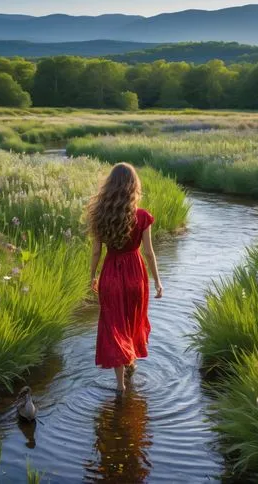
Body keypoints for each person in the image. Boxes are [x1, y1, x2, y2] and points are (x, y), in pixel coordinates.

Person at [87, 162, 163, 392]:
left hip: (111, 274)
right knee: (133, 320)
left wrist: (92, 276)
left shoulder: (100, 215)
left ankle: (120, 385)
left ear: (109, 186)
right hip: (136, 276)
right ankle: (131, 366)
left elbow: (97, 251)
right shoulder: (142, 216)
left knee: (114, 326)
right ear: (133, 186)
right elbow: (149, 253)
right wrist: (158, 281)